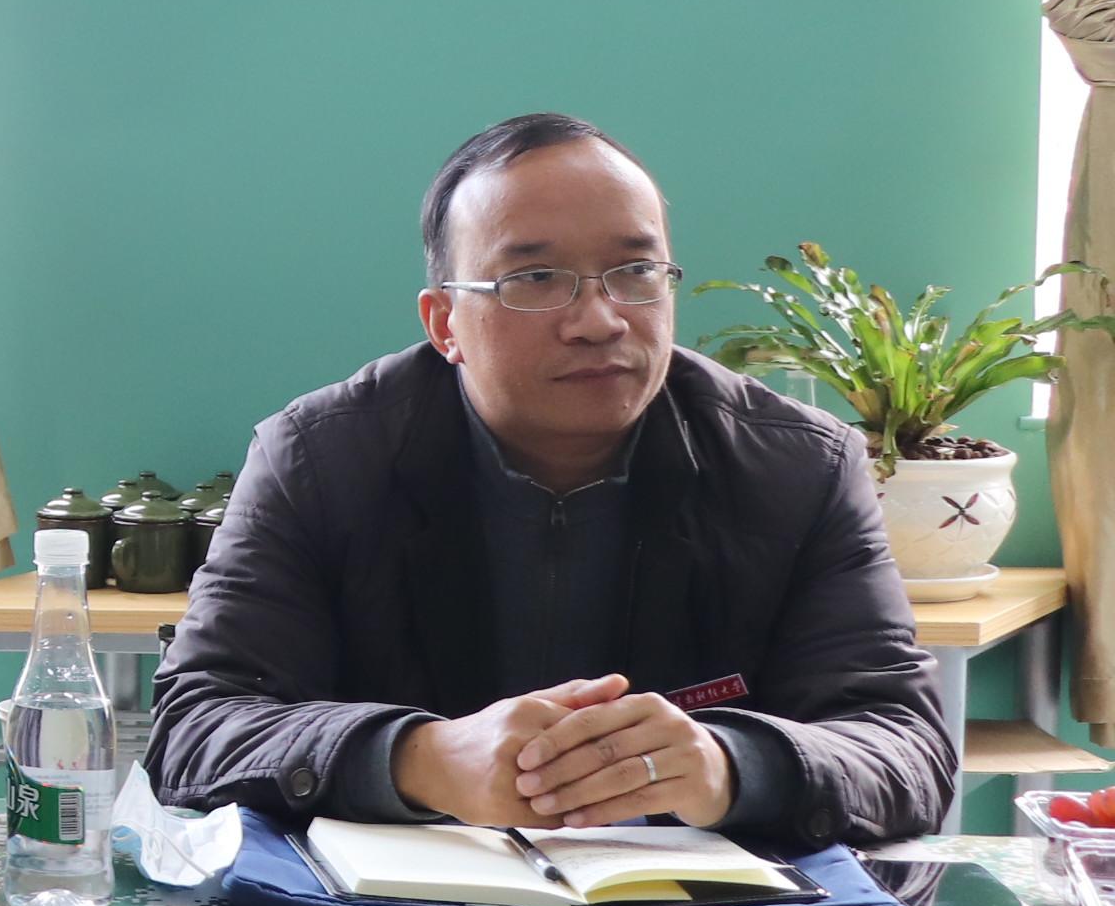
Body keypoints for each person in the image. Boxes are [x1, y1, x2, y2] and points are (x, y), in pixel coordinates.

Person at [146, 112, 952, 853]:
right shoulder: (321, 459)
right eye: (534, 279)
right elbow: (196, 724)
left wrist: (729, 765)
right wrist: (420, 759)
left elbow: (905, 743)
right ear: (445, 323)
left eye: (635, 270)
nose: (600, 320)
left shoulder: (798, 468)